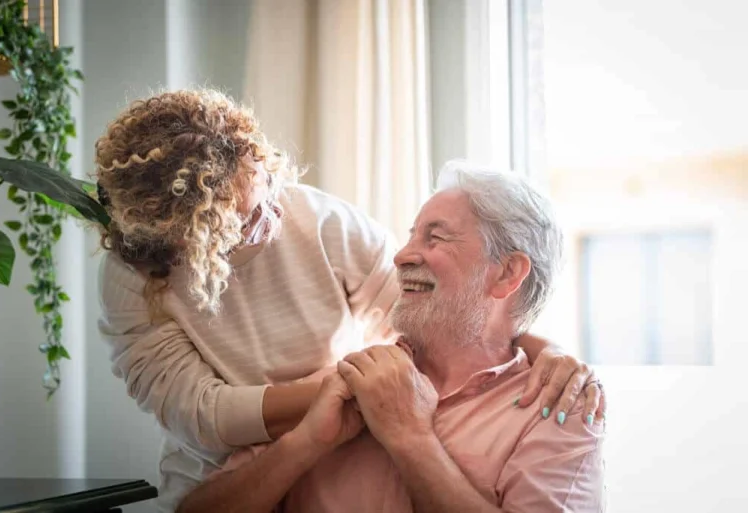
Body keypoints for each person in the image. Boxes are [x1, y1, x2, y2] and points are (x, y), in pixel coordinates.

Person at [95, 90, 604, 511]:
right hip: (224, 465)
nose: (273, 215)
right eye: (247, 220)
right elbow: (210, 418)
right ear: (189, 237)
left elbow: (436, 307)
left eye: (269, 185)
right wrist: (331, 410)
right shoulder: (132, 278)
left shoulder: (556, 413)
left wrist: (547, 350)